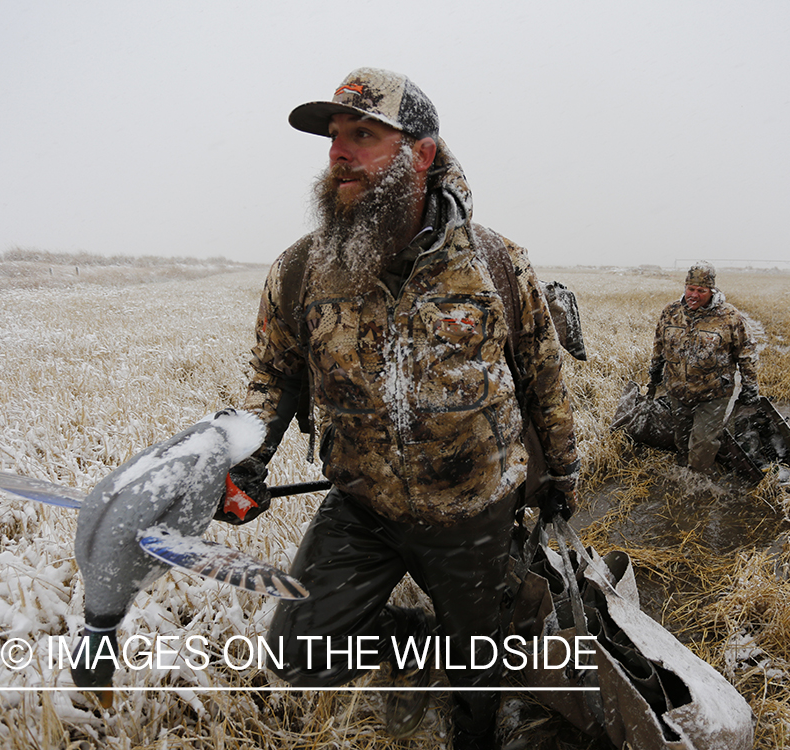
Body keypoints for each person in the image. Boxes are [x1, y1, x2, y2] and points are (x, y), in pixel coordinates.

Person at [216, 67, 580, 749]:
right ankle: (427, 638)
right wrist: (246, 461)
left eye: (362, 134)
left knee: (481, 689)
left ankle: (470, 675)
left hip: (475, 511)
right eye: (333, 139)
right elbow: (272, 374)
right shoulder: (301, 270)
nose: (337, 155)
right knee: (297, 656)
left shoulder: (499, 265)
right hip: (362, 507)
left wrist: (559, 474)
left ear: (422, 153)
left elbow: (543, 381)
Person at [646, 261, 759, 473]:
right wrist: (654, 372)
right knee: (681, 444)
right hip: (678, 390)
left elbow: (746, 353)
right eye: (690, 289)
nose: (694, 295)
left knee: (702, 448)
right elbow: (659, 345)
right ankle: (684, 477)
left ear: (711, 290)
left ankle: (700, 482)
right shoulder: (671, 312)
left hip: (713, 394)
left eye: (701, 290)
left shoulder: (730, 317)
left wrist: (750, 385)